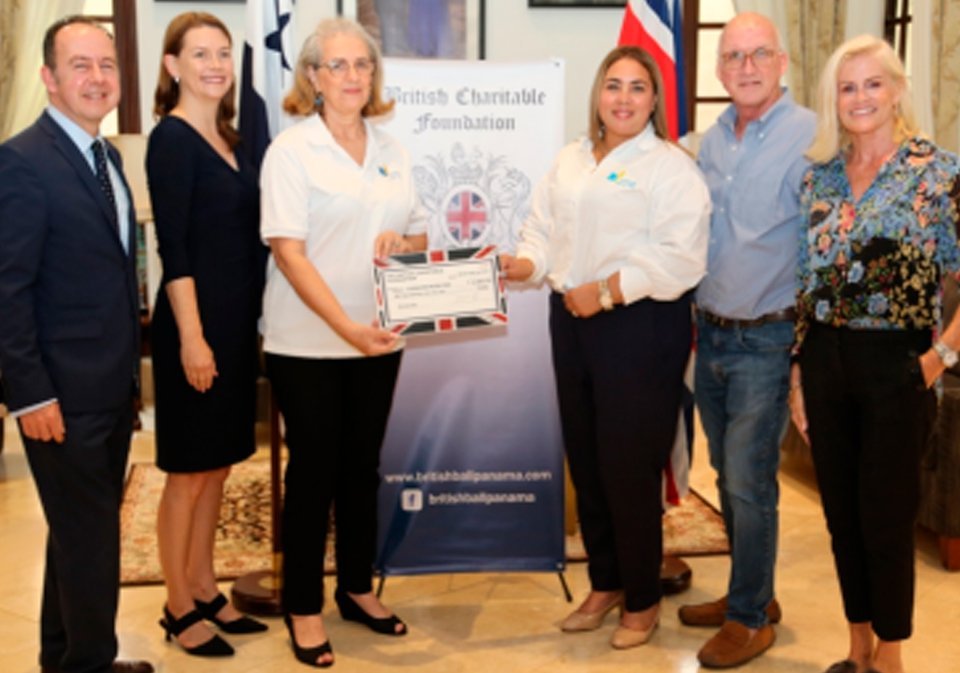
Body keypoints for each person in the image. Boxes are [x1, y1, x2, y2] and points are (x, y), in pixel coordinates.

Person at [501, 45, 710, 650]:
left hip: (639, 327)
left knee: (628, 467)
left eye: (637, 87)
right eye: (612, 85)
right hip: (569, 321)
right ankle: (606, 581)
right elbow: (543, 230)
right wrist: (524, 264)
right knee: (587, 461)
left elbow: (681, 258)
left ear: (654, 100)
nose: (622, 98)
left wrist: (610, 292)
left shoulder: (671, 168)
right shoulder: (571, 159)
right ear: (597, 94)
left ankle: (642, 600)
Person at [259, 17, 428, 668]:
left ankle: (356, 587)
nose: (352, 76)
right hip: (308, 343)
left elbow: (415, 233)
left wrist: (403, 243)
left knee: (363, 468)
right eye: (338, 65)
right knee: (314, 473)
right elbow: (291, 255)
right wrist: (345, 328)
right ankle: (303, 605)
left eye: (362, 65)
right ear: (312, 77)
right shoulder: (292, 152)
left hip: (380, 335)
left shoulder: (393, 149)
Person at [790, 34, 960, 673]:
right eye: (846, 86)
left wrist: (938, 356)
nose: (860, 98)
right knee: (841, 518)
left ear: (896, 91)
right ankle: (857, 648)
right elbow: (806, 283)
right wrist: (798, 376)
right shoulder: (819, 177)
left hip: (899, 365)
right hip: (826, 362)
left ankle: (890, 658)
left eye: (872, 84)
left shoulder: (939, 173)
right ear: (832, 99)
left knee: (886, 521)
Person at [0, 16, 151, 673]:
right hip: (60, 394)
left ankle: (64, 658)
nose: (97, 78)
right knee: (91, 544)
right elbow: (7, 292)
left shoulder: (107, 156)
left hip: (107, 388)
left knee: (75, 535)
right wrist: (30, 392)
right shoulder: (22, 162)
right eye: (80, 65)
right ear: (49, 78)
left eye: (106, 65)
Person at [677, 12, 816, 669]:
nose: (746, 66)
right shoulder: (711, 141)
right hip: (710, 334)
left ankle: (749, 617)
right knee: (725, 475)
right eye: (734, 56)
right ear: (719, 68)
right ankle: (750, 591)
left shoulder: (813, 135)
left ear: (782, 61)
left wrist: (803, 354)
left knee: (748, 478)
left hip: (767, 336)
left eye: (759, 54)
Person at [146, 11, 268, 658]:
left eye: (223, 52)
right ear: (173, 66)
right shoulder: (170, 140)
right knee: (187, 472)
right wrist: (193, 339)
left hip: (233, 323)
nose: (216, 64)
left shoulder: (230, 137)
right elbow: (177, 249)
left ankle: (202, 584)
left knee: (218, 464)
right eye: (200, 54)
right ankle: (175, 603)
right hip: (194, 328)